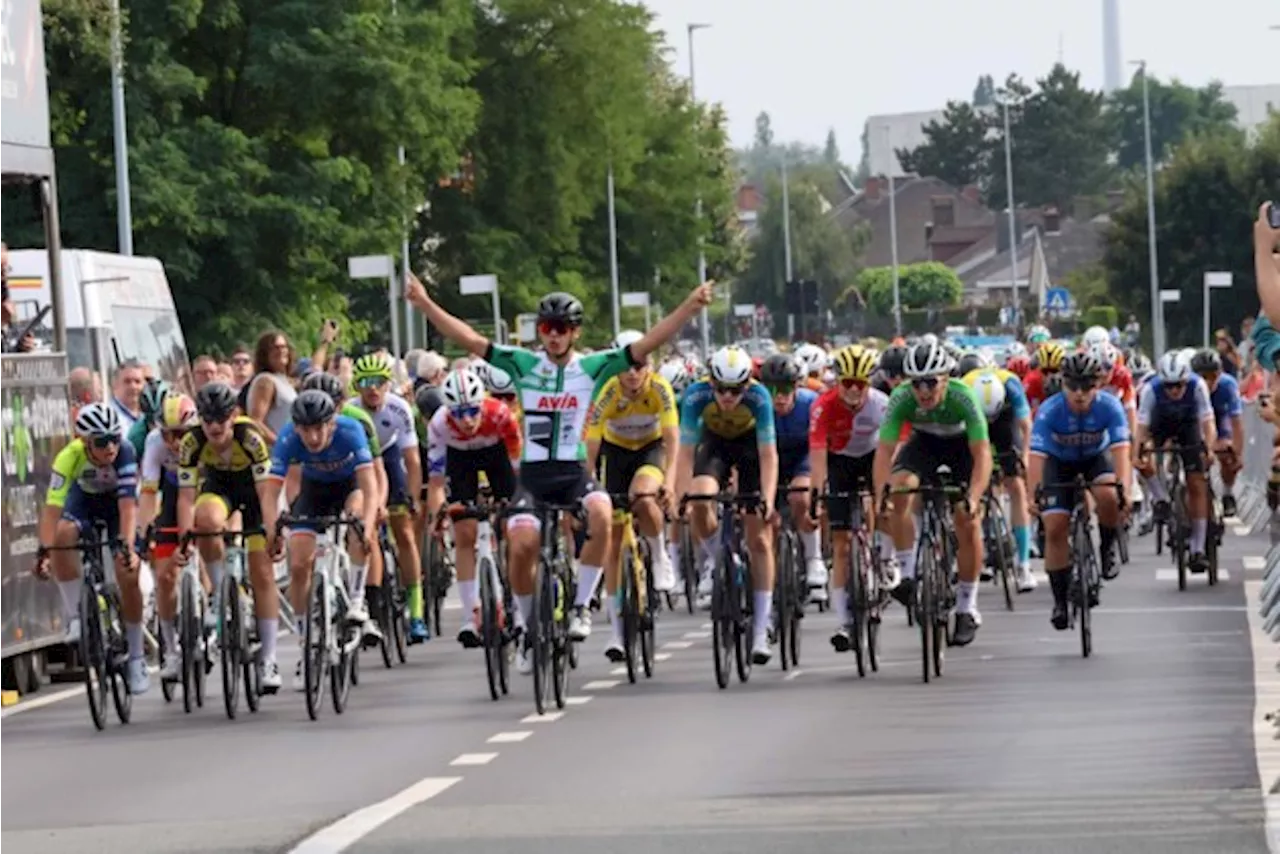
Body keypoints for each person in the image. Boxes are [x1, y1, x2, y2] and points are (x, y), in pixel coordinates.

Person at [404, 269, 712, 674]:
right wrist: (425, 303)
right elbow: (469, 340)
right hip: (531, 476)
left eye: (562, 328)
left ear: (575, 332)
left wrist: (689, 306)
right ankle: (530, 628)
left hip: (571, 472)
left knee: (602, 512)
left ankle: (582, 605)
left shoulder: (594, 367)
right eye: (547, 327)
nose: (553, 335)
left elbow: (650, 342)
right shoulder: (523, 363)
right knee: (521, 545)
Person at [874, 338, 991, 647]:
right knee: (900, 490)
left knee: (967, 519)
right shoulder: (900, 398)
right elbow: (885, 452)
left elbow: (982, 454)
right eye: (916, 384)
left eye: (930, 383)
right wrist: (880, 495)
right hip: (924, 444)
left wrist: (975, 497)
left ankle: (967, 608)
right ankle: (909, 572)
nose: (923, 392)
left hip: (961, 448)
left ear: (946, 379)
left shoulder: (963, 397)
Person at [264, 390, 379, 691]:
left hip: (349, 487)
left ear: (331, 423)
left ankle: (355, 600)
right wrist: (272, 532)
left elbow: (370, 486)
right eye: (306, 430)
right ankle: (307, 642)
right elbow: (270, 492)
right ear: (296, 427)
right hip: (314, 492)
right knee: (300, 563)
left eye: (319, 428)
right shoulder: (288, 437)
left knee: (355, 523)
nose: (313, 437)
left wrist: (366, 527)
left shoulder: (351, 431)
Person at [175, 382, 283, 689]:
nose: (213, 427)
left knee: (262, 572)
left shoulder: (249, 436)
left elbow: (266, 492)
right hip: (219, 487)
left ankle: (269, 659)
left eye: (220, 419)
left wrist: (272, 531)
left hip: (254, 491)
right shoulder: (191, 440)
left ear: (233, 415)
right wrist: (186, 537)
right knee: (205, 521)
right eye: (207, 420)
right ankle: (220, 593)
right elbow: (185, 497)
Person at [676, 346, 779, 662]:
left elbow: (768, 456)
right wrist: (681, 494)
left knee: (759, 538)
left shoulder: (760, 398)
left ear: (747, 384)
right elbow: (685, 454)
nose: (728, 396)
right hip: (715, 445)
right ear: (710, 383)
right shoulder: (695, 397)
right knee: (701, 499)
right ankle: (716, 559)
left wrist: (768, 499)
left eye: (735, 390)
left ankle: (761, 628)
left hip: (750, 448)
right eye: (720, 389)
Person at [34, 404, 143, 689]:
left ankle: (137, 656)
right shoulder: (68, 457)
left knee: (127, 571)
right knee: (62, 536)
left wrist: (128, 547)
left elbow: (129, 508)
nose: (110, 448)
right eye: (101, 442)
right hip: (83, 502)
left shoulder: (126, 452)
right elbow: (52, 508)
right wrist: (45, 550)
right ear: (83, 441)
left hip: (118, 507)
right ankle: (75, 616)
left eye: (114, 438)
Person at [1027, 351, 1130, 627]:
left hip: (1095, 459)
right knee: (1055, 526)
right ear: (1063, 384)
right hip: (1059, 463)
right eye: (1073, 386)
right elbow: (1036, 457)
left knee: (1108, 494)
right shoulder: (1050, 410)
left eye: (1087, 386)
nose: (1080, 394)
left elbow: (1121, 451)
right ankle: (1060, 602)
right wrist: (1032, 494)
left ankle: (1107, 548)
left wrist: (1126, 490)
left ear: (1098, 385)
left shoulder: (1109, 407)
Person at [110, 359, 148, 430]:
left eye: (137, 382)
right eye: (127, 381)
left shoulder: (149, 416)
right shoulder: (109, 418)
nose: (133, 387)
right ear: (115, 384)